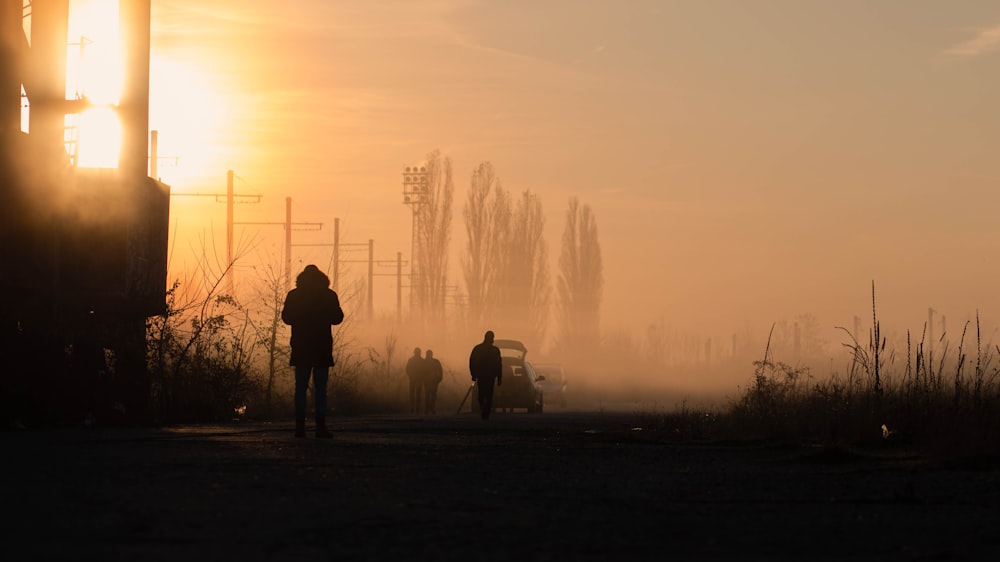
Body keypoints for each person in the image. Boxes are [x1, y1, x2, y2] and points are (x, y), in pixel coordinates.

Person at [281, 264, 344, 438]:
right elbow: (337, 318)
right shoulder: (328, 295)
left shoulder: (294, 295)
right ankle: (320, 426)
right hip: (322, 346)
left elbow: (286, 318)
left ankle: (299, 427)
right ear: (322, 278)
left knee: (300, 388)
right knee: (321, 388)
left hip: (301, 346)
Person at [469, 330, 503, 420]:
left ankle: (485, 411)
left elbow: (472, 361)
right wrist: (499, 377)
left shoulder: (479, 349)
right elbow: (498, 364)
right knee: (486, 395)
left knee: (484, 395)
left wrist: (473, 374)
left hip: (486, 376)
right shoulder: (493, 350)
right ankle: (485, 410)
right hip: (486, 376)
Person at [406, 347, 426, 414]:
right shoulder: (421, 361)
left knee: (415, 394)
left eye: (418, 352)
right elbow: (407, 369)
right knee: (415, 394)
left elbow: (407, 369)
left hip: (415, 379)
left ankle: (414, 408)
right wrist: (411, 375)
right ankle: (414, 408)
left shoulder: (412, 360)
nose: (418, 353)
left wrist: (411, 375)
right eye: (417, 352)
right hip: (415, 379)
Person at [423, 349, 443, 415]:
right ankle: (431, 409)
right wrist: (439, 379)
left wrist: (438, 379)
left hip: (431, 381)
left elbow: (440, 371)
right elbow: (440, 371)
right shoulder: (435, 361)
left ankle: (428, 410)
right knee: (431, 396)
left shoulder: (425, 362)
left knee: (428, 396)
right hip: (432, 381)